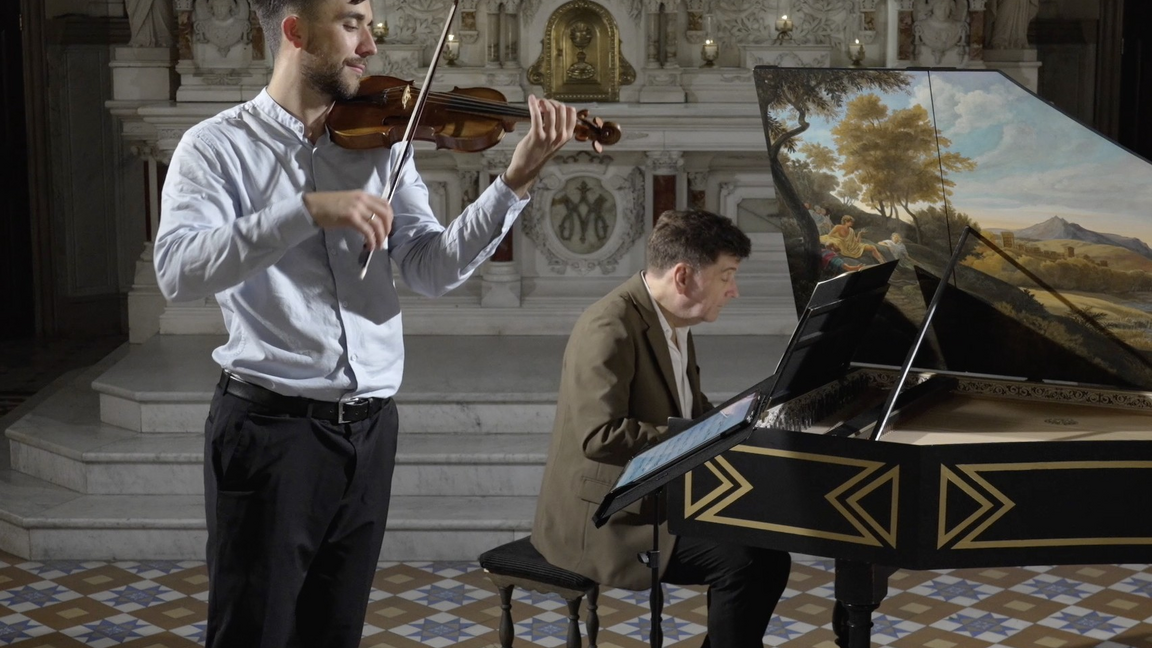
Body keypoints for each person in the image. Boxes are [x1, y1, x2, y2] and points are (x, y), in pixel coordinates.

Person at [152, 0, 577, 644]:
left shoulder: (380, 140)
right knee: (253, 632)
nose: (370, 47)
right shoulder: (215, 148)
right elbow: (178, 271)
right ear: (296, 31)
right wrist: (306, 209)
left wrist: (513, 181)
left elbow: (432, 267)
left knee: (334, 632)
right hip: (270, 433)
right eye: (352, 24)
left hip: (370, 431)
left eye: (369, 27)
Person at [532, 209, 792, 648]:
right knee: (745, 562)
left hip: (658, 494)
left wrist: (742, 422)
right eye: (726, 275)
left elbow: (687, 407)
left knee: (769, 553)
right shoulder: (608, 326)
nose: (734, 291)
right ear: (684, 276)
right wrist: (703, 435)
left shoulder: (671, 319)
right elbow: (599, 436)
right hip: (609, 517)